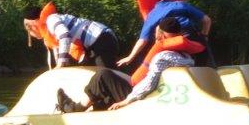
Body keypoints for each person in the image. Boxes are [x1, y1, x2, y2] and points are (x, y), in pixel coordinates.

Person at [56, 16, 198, 112]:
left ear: (159, 34)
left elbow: (149, 83)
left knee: (102, 76)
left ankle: (74, 109)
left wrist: (127, 101)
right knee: (110, 77)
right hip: (147, 92)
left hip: (142, 99)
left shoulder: (162, 56)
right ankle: (97, 109)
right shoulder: (185, 55)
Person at [117, 0, 214, 70]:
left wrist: (130, 57)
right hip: (193, 38)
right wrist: (204, 36)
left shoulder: (153, 14)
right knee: (204, 68)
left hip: (172, 44)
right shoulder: (181, 4)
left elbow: (143, 40)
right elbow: (207, 20)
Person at [22, 3, 121, 69]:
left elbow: (65, 36)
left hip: (102, 39)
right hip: (93, 45)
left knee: (103, 74)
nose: (31, 33)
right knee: (86, 71)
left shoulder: (51, 20)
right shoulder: (50, 33)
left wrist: (61, 62)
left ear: (32, 25)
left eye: (29, 29)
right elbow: (61, 50)